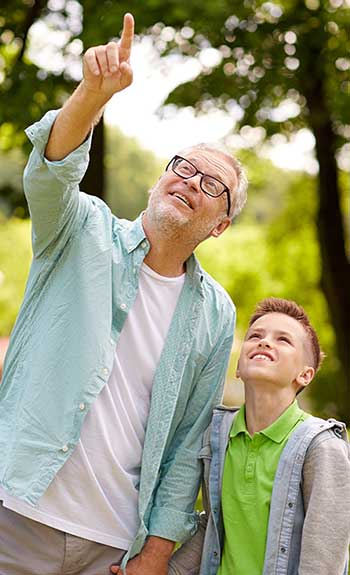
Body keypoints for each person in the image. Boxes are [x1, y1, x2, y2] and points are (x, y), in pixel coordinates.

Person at [0, 12, 248, 575]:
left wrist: (155, 555)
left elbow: (187, 445)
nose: (191, 182)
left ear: (220, 225)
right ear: (159, 178)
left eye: (214, 187)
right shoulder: (80, 229)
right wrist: (93, 94)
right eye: (184, 168)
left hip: (113, 545)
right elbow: (51, 171)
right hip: (14, 513)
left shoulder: (215, 314)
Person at [169, 297, 350, 575]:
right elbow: (215, 527)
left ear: (305, 374)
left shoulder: (321, 447)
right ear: (239, 369)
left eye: (283, 340)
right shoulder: (218, 435)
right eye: (255, 336)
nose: (265, 342)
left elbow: (324, 559)